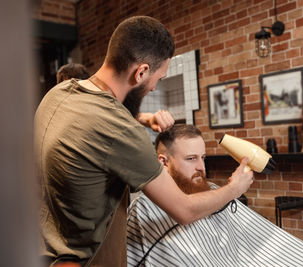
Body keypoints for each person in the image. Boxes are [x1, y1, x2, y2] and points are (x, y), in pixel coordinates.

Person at [34, 16, 253, 266]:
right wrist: (235, 188)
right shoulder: (121, 131)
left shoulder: (58, 94)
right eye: (157, 80)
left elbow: (94, 122)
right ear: (141, 72)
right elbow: (185, 210)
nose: (153, 89)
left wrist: (142, 118)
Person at [127, 125, 303, 267]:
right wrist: (232, 191)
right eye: (191, 158)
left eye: (203, 157)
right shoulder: (145, 208)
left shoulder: (211, 189)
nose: (201, 167)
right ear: (163, 162)